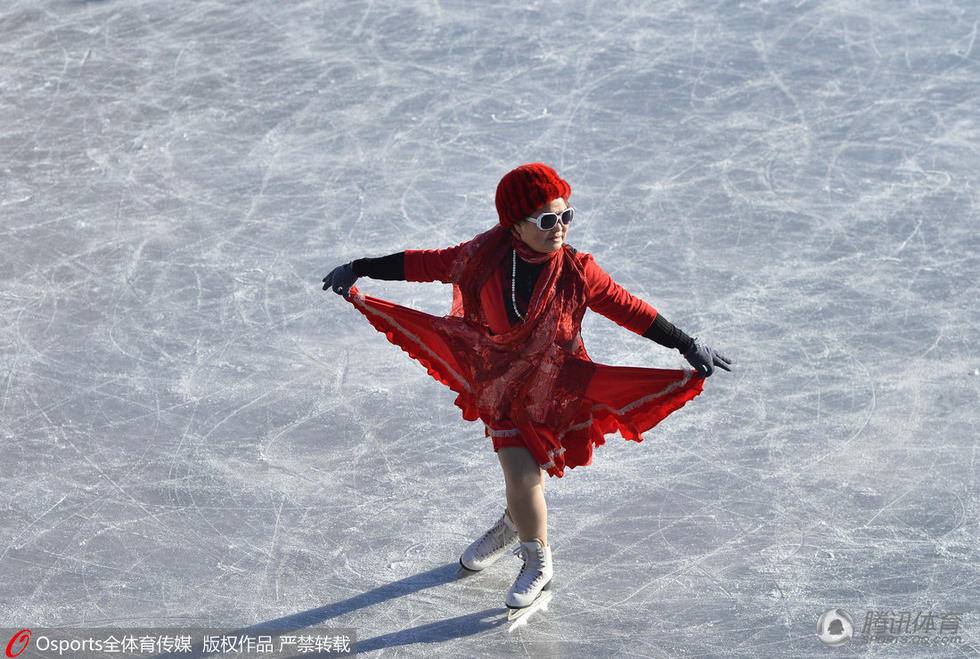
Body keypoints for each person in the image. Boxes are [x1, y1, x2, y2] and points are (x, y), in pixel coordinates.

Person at [322, 163, 732, 611]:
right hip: (498, 382)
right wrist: (360, 267)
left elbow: (627, 308)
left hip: (554, 390)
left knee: (523, 477)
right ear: (515, 225)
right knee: (520, 475)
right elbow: (423, 264)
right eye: (546, 220)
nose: (559, 229)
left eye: (566, 216)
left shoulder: (577, 272)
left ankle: (536, 557)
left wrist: (687, 344)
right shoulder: (483, 256)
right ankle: (517, 528)